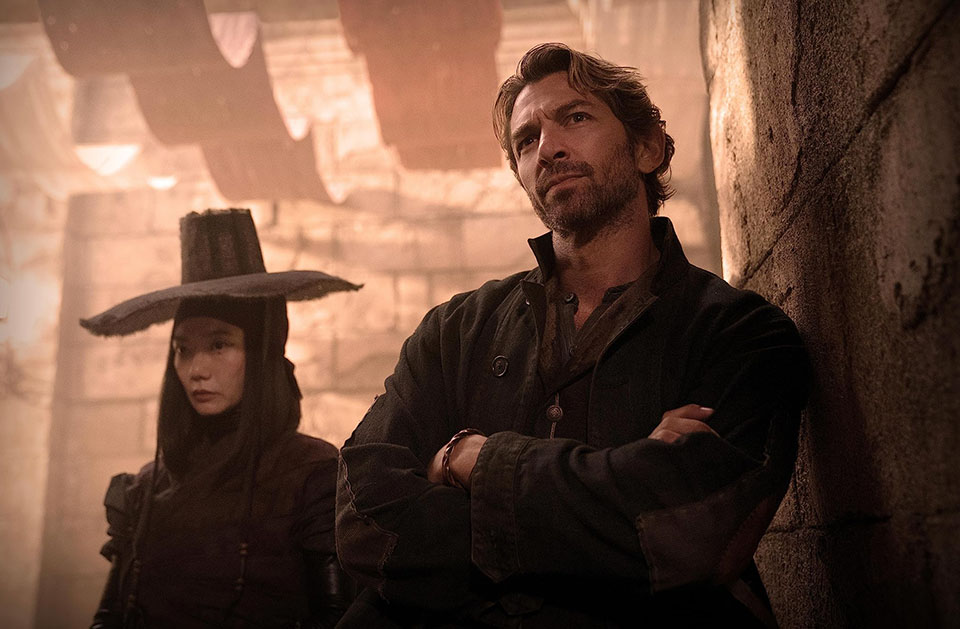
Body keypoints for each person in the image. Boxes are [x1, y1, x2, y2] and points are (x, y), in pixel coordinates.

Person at [335, 43, 810, 627]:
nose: (548, 149)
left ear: (647, 146)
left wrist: (470, 461)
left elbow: (689, 535)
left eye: (575, 117)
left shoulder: (738, 333)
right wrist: (619, 482)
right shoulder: (454, 331)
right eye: (526, 140)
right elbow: (364, 519)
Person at [81, 209, 360, 628]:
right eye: (183, 349)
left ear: (261, 353)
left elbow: (337, 619)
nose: (196, 369)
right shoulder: (147, 488)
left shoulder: (312, 477)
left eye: (218, 345)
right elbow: (110, 617)